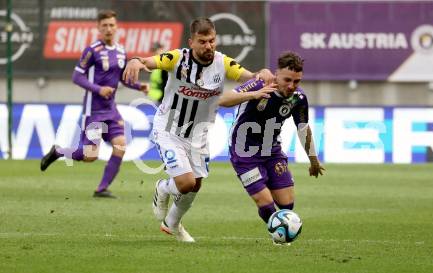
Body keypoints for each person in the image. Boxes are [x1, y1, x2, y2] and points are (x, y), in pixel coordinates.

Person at [123, 17, 274, 242]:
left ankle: (172, 224)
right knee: (186, 183)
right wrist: (136, 61)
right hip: (169, 129)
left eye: (212, 41)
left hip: (199, 134)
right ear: (191, 42)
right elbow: (147, 61)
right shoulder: (176, 58)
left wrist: (260, 73)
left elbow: (250, 76)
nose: (209, 46)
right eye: (202, 42)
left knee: (197, 184)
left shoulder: (223, 63)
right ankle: (163, 188)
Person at [40, 10, 148, 198]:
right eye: (104, 25)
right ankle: (58, 151)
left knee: (121, 145)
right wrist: (99, 89)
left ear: (116, 27)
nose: (108, 29)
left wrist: (140, 86)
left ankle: (102, 189)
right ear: (98, 28)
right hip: (94, 110)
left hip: (111, 110)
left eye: (111, 25)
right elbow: (76, 77)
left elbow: (123, 78)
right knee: (90, 156)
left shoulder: (121, 51)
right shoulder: (92, 50)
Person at [219, 51, 325, 238]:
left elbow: (303, 129)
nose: (292, 86)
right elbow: (223, 100)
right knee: (266, 203)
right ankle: (280, 235)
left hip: (272, 151)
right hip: (244, 153)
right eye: (287, 80)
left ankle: (281, 229)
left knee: (287, 204)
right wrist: (254, 94)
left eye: (297, 81)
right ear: (277, 74)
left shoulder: (298, 98)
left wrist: (313, 160)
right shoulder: (260, 84)